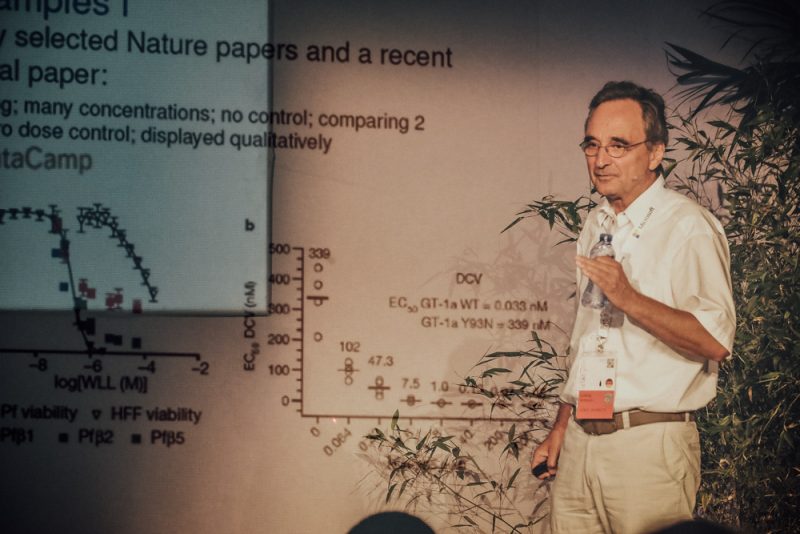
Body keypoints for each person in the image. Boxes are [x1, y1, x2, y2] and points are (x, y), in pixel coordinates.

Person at [531, 81, 735, 533]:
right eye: (592, 145)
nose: (601, 160)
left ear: (656, 152)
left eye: (618, 146)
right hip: (583, 437)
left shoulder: (688, 226)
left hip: (648, 444)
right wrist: (562, 425)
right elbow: (588, 336)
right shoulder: (596, 222)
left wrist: (629, 298)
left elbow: (716, 341)